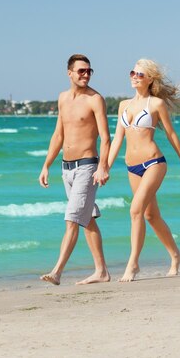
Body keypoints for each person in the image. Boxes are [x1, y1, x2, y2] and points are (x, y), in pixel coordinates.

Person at [106, 58, 180, 282]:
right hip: (132, 166)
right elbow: (117, 139)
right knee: (151, 215)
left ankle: (133, 264)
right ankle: (176, 254)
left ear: (150, 79)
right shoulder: (123, 105)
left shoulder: (155, 104)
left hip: (154, 163)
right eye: (132, 72)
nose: (134, 76)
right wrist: (104, 165)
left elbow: (171, 133)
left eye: (140, 74)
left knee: (135, 211)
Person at [38, 54, 111, 285]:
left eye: (89, 71)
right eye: (81, 71)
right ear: (69, 73)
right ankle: (102, 272)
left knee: (72, 220)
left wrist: (103, 167)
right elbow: (58, 134)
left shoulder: (95, 99)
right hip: (66, 168)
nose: (86, 74)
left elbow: (106, 138)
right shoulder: (62, 98)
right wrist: (46, 165)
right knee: (87, 218)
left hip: (87, 167)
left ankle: (57, 272)